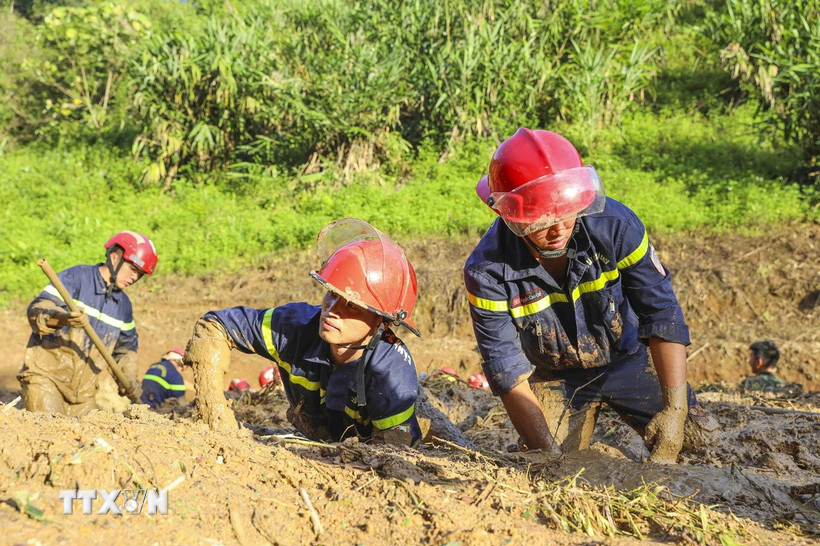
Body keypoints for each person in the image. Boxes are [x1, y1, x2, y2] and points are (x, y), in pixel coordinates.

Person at [464, 128, 716, 464]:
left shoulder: (617, 227)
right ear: (511, 216)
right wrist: (548, 454)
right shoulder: (487, 271)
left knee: (696, 439)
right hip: (556, 377)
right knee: (547, 461)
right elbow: (506, 368)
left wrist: (675, 410)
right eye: (542, 219)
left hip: (628, 358)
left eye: (566, 213)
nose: (558, 228)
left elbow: (661, 313)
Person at [183, 218, 423, 445]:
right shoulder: (295, 326)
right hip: (318, 440)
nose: (331, 309)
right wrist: (215, 418)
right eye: (332, 294)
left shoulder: (392, 375)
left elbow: (392, 452)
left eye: (351, 305)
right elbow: (214, 326)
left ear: (381, 322)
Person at [18, 231, 157, 416]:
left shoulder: (123, 306)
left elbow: (126, 349)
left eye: (140, 274)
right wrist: (62, 318)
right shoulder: (77, 277)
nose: (135, 277)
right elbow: (37, 311)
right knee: (50, 428)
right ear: (114, 257)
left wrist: (129, 380)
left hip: (84, 395)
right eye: (133, 269)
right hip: (46, 379)